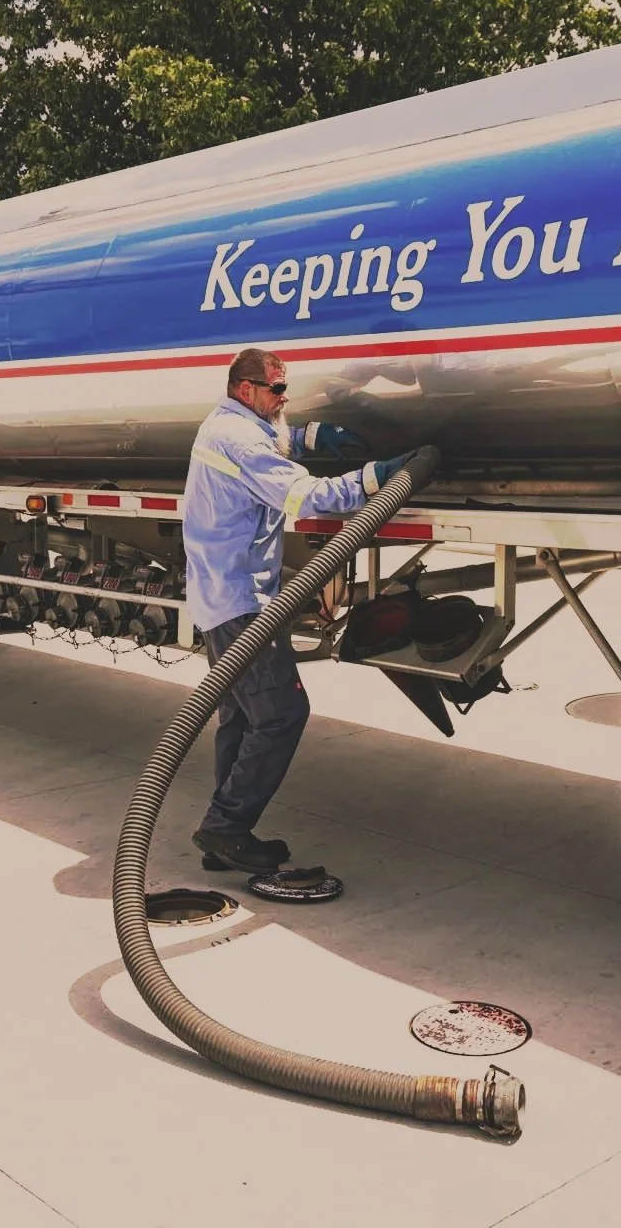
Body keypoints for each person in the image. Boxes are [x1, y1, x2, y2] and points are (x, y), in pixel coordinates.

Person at [182, 347, 413, 873]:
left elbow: (273, 441)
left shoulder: (228, 424)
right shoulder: (237, 437)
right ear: (247, 390)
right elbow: (304, 497)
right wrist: (379, 478)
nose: (284, 398)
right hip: (241, 602)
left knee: (240, 718)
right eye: (277, 390)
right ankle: (225, 827)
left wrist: (311, 436)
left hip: (223, 596)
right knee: (282, 714)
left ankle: (225, 834)